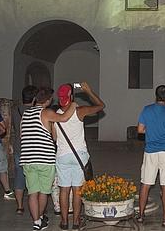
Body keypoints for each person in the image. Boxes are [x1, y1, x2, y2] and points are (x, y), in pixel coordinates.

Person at [20, 87, 77, 231]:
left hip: (28, 159)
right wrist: (74, 105)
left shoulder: (26, 114)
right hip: (45, 159)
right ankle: (39, 218)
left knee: (33, 192)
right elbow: (64, 118)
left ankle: (37, 221)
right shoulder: (46, 112)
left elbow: (22, 134)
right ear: (48, 100)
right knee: (44, 192)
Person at [55, 82, 105, 230]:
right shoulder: (79, 111)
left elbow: (53, 137)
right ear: (71, 96)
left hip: (62, 155)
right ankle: (76, 221)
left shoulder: (55, 114)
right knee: (77, 190)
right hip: (79, 156)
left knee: (64, 190)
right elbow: (101, 106)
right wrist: (89, 91)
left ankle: (64, 222)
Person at [136, 85, 165, 228]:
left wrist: (152, 130)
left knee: (146, 183)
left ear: (156, 96)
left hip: (150, 151)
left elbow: (140, 130)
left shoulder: (146, 110)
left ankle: (141, 215)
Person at [11, 85, 37, 215]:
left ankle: (20, 206)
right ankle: (36, 205)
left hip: (18, 147)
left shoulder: (15, 110)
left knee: (19, 177)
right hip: (31, 147)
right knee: (33, 177)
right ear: (34, 98)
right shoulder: (35, 111)